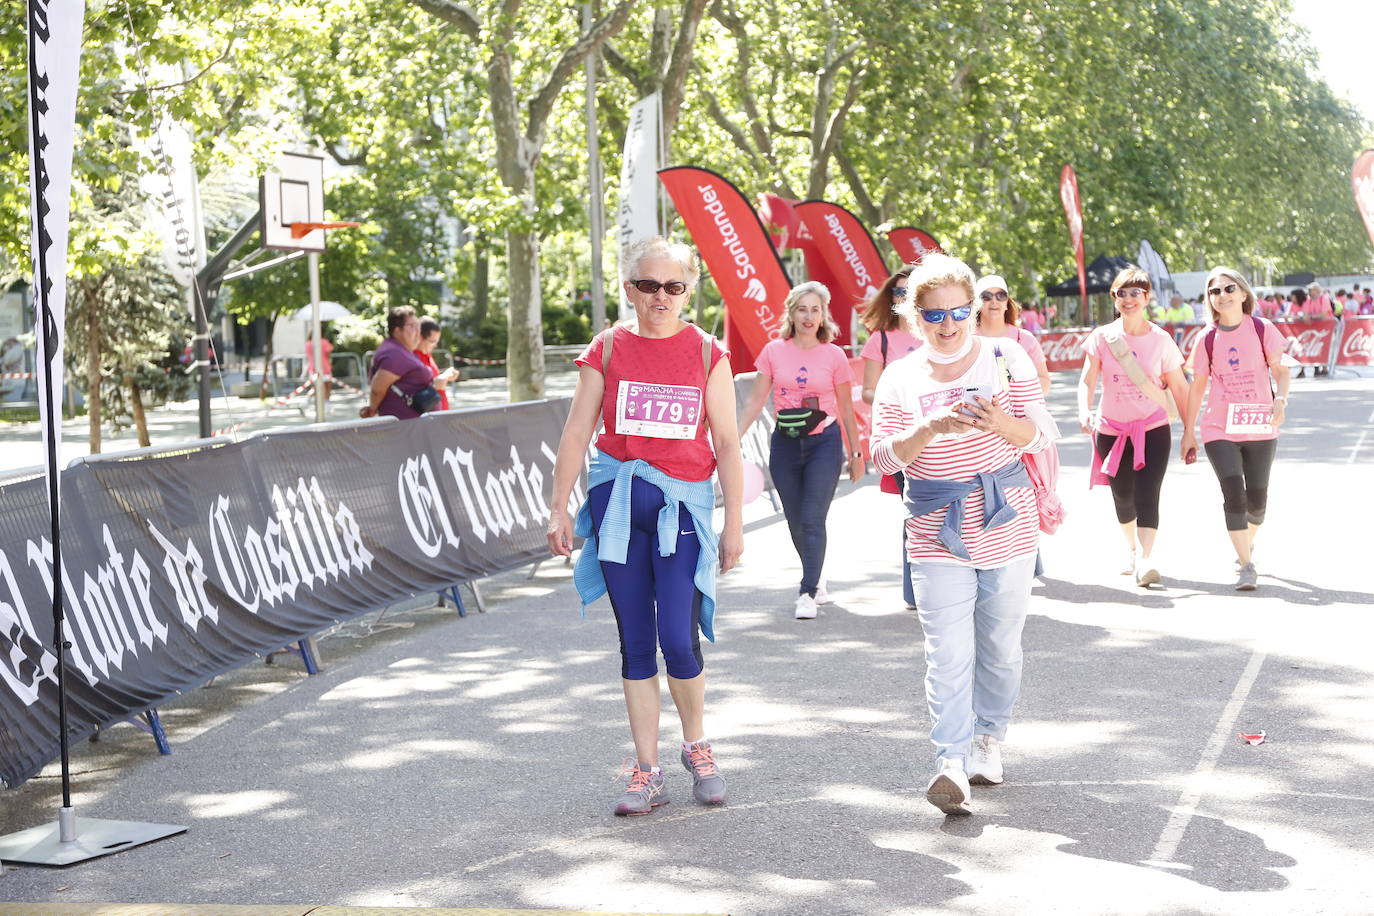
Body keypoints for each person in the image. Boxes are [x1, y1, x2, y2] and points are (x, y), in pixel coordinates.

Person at [546, 236, 744, 816]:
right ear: (629, 289)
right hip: (617, 508)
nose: (661, 297)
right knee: (635, 641)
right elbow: (576, 433)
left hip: (682, 511)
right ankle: (646, 770)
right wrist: (559, 507)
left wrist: (734, 525)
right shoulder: (607, 348)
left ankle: (697, 747)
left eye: (674, 286)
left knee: (678, 638)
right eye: (649, 285)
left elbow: (728, 445)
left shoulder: (708, 353)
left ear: (688, 291)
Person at [869, 252, 1058, 816]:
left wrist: (996, 419)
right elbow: (881, 453)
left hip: (1006, 519)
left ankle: (987, 738)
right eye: (934, 316)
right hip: (934, 528)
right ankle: (950, 763)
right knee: (946, 654)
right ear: (913, 318)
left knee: (998, 648)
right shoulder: (901, 378)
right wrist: (930, 427)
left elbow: (1038, 435)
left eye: (958, 312)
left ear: (975, 310)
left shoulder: (1005, 356)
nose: (947, 325)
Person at [739, 281, 865, 619]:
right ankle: (816, 571)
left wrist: (856, 454)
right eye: (802, 309)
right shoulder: (773, 352)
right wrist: (730, 439)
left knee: (812, 517)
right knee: (795, 521)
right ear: (791, 313)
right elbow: (754, 403)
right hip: (785, 444)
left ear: (823, 315)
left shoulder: (834, 355)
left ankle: (807, 591)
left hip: (824, 443)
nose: (809, 316)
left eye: (815, 310)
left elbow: (846, 408)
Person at [1076, 267, 1188, 587]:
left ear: (1147, 297)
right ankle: (1131, 547)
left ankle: (1146, 559)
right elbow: (1087, 381)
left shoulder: (1161, 340)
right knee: (1123, 497)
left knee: (1147, 492)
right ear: (1114, 298)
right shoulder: (1101, 337)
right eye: (1121, 293)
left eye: (1135, 293)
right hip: (1111, 430)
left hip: (1153, 427)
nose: (1128, 299)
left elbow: (1178, 387)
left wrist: (1191, 430)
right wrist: (1084, 411)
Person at [1180, 268, 1290, 591]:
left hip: (1260, 426)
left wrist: (1280, 400)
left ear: (1243, 294)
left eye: (1229, 288)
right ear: (1210, 300)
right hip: (1219, 429)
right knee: (1233, 495)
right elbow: (1197, 389)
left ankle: (1245, 542)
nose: (1222, 295)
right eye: (1215, 291)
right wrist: (1189, 431)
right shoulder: (1206, 339)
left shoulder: (1262, 329)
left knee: (1257, 503)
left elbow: (1282, 373)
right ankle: (1246, 564)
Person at [859, 266, 921, 610]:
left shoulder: (938, 332)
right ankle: (914, 590)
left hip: (945, 439)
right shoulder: (880, 340)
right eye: (898, 292)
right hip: (900, 440)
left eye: (910, 292)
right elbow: (868, 392)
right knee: (915, 509)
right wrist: (897, 395)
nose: (904, 298)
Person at [974, 275, 1051, 394]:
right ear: (976, 303)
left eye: (1001, 296)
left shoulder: (1025, 339)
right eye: (986, 296)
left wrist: (1017, 388)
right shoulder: (965, 339)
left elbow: (1045, 382)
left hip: (1019, 412)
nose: (994, 301)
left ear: (1007, 303)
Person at [359, 306, 432, 419]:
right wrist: (372, 410)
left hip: (412, 425)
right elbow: (378, 389)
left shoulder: (401, 350)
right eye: (413, 326)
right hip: (404, 426)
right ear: (397, 330)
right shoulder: (394, 353)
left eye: (418, 326)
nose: (418, 331)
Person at [413, 317, 459, 411]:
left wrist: (446, 376)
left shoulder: (427, 354)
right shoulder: (412, 358)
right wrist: (443, 377)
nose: (435, 345)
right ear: (420, 337)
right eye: (433, 341)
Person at [305, 328, 334, 402]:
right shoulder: (324, 342)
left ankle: (307, 399)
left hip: (312, 368)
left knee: (316, 387)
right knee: (327, 387)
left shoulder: (308, 343)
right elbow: (328, 354)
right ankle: (327, 403)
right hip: (325, 368)